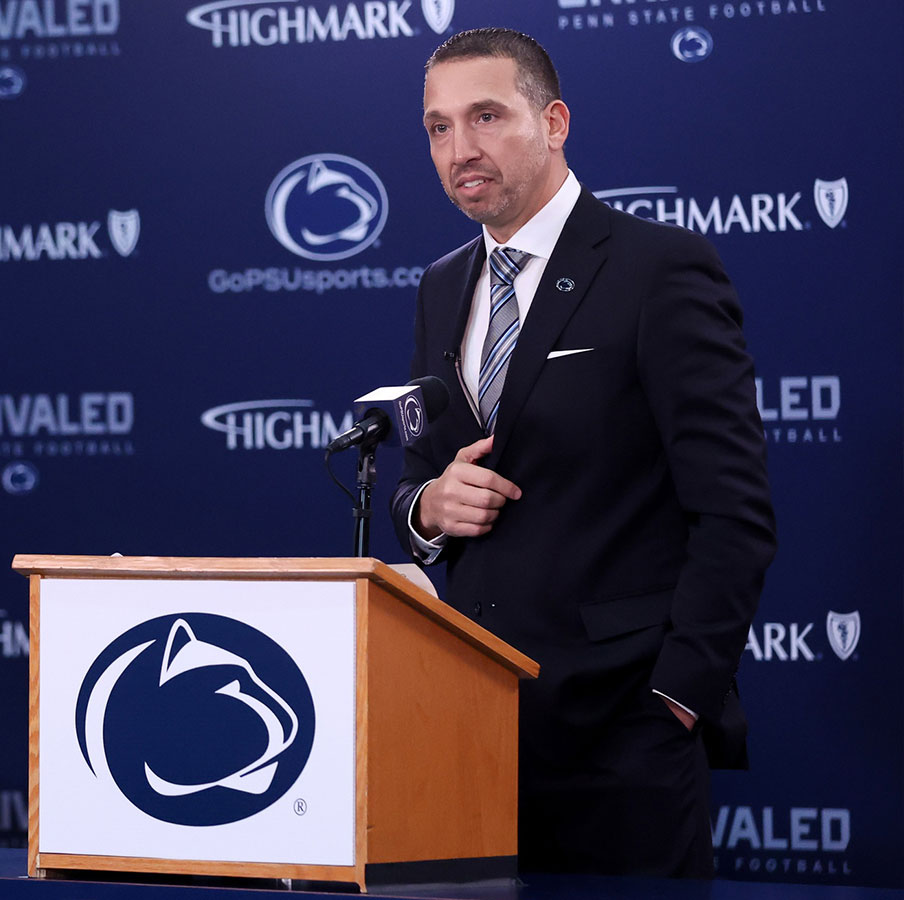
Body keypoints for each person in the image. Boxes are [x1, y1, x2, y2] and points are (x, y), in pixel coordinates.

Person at [391, 28, 775, 877]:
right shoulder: (442, 285)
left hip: (625, 736)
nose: (460, 148)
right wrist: (427, 508)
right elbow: (422, 477)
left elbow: (734, 511)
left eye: (486, 116)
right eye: (439, 127)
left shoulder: (657, 267)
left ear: (554, 122)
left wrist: (677, 697)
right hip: (474, 728)